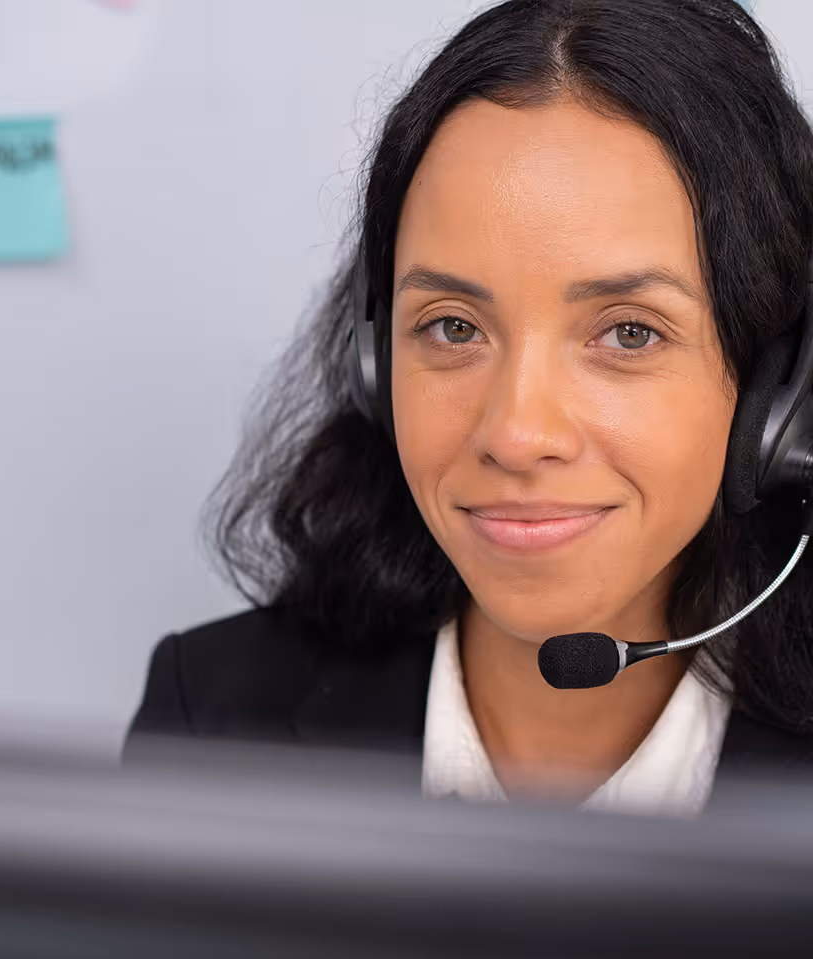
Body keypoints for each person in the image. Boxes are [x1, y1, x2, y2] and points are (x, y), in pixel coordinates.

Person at [128, 0, 813, 816]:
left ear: (779, 390)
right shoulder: (211, 720)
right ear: (375, 364)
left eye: (628, 333)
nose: (517, 436)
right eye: (453, 327)